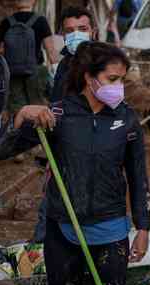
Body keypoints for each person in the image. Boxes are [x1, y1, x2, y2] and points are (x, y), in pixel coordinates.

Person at [0, 42, 150, 285]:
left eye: (121, 80)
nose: (118, 87)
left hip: (111, 228)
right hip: (63, 229)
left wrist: (142, 226)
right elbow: (0, 151)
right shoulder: (58, 115)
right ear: (89, 78)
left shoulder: (126, 119)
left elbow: (138, 176)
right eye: (112, 78)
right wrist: (23, 116)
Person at [32, 6, 97, 244]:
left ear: (93, 31)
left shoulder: (104, 66)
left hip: (92, 150)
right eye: (70, 30)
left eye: (82, 29)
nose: (76, 34)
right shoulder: (64, 64)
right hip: (62, 149)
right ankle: (40, 255)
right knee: (52, 204)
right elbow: (56, 105)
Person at [0, 0, 57, 115]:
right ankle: (40, 132)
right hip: (36, 72)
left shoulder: (6, 22)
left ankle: (20, 131)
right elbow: (51, 52)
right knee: (40, 111)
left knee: (17, 111)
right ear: (34, 1)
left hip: (13, 74)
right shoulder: (40, 21)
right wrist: (56, 74)